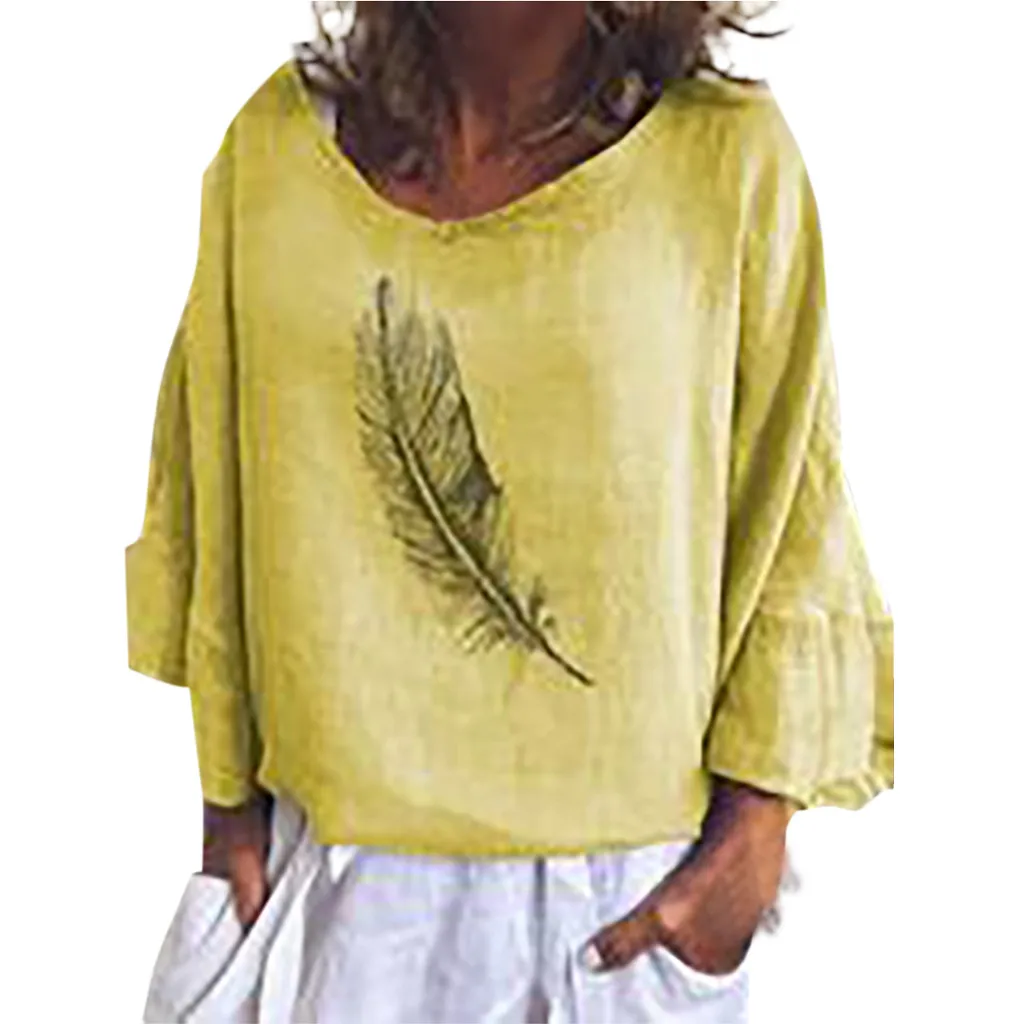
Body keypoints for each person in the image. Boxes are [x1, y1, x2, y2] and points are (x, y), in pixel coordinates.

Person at [125, 3, 894, 1021]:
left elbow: (794, 502)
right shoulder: (273, 154)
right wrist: (229, 818)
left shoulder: (726, 159)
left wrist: (751, 839)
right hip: (323, 891)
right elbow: (213, 492)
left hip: (613, 918)